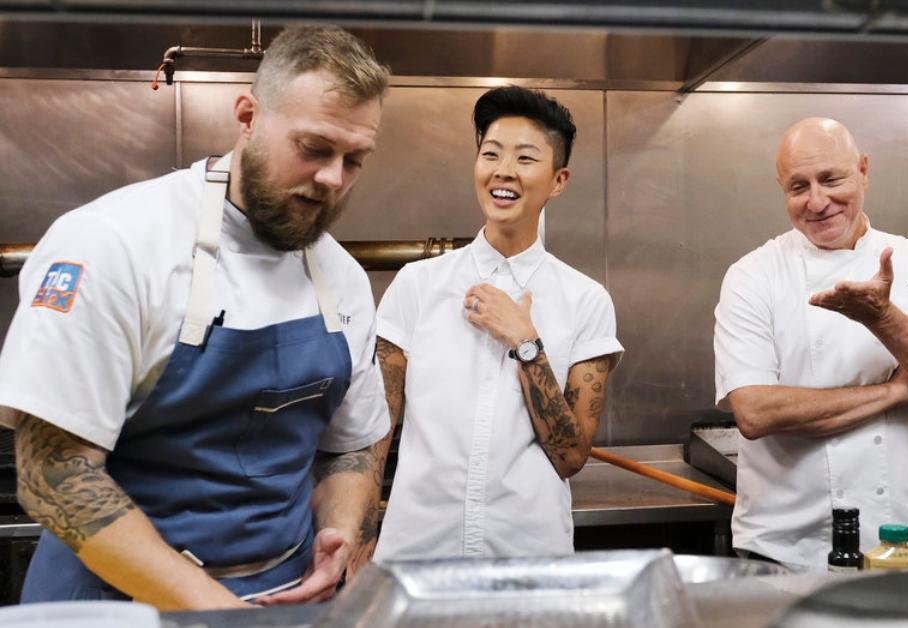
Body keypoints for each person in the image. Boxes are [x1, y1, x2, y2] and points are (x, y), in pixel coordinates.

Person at [0, 25, 391, 609]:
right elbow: (53, 472)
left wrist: (339, 535)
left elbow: (351, 446)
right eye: (314, 148)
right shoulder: (111, 245)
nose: (333, 178)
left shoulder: (344, 280)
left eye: (354, 160)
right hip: (115, 605)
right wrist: (217, 612)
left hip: (283, 599)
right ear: (248, 115)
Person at [713, 117, 908, 570]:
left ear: (863, 170)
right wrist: (899, 389)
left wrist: (886, 320)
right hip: (785, 552)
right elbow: (755, 411)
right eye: (798, 186)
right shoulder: (753, 276)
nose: (817, 201)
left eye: (831, 179)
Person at [371, 86, 623, 560]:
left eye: (526, 158)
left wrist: (526, 342)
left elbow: (571, 456)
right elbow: (374, 433)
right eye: (491, 154)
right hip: (416, 556)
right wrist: (361, 548)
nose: (503, 170)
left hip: (528, 561)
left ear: (558, 180)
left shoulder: (585, 299)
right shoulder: (417, 285)